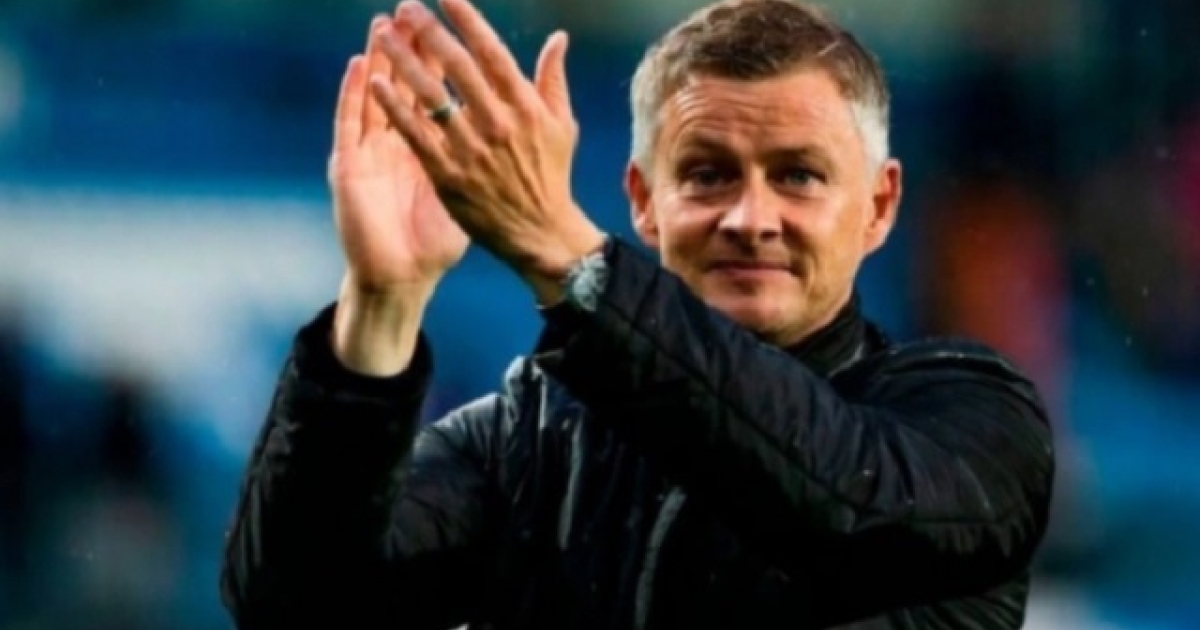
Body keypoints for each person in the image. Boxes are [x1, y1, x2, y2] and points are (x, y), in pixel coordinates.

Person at [220, 0, 1055, 628]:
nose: (750, 217)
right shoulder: (529, 439)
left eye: (798, 176)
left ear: (878, 206)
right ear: (643, 202)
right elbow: (300, 607)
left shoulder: (975, 420)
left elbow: (845, 508)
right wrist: (381, 302)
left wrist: (568, 257)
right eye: (707, 174)